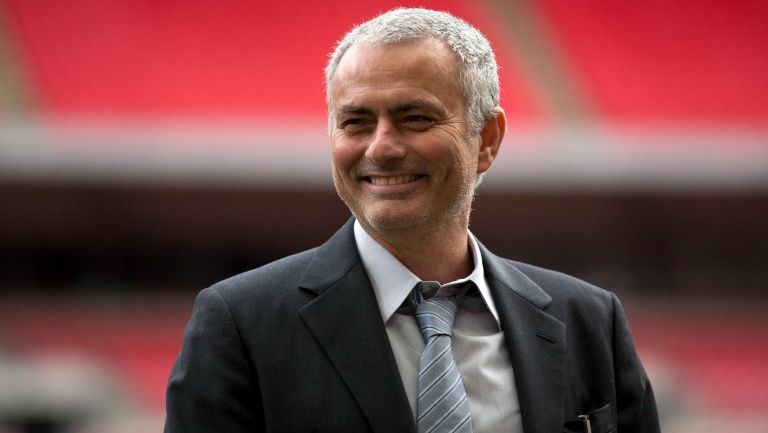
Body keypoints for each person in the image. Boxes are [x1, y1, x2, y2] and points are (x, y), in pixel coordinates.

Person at [164, 8, 660, 433]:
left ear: (486, 138)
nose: (381, 147)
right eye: (355, 121)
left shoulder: (590, 322)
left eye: (416, 118)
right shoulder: (241, 325)